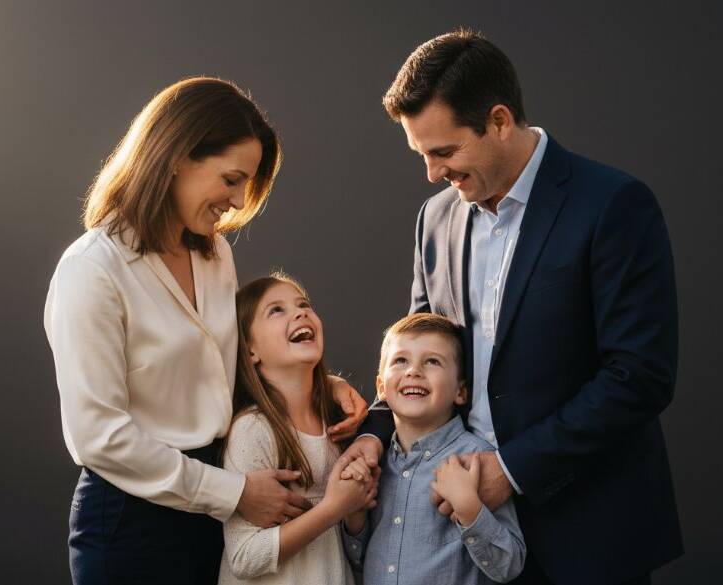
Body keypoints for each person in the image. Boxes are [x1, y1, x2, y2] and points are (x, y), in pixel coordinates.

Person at [343, 30, 683, 585]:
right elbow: (419, 348)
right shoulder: (435, 219)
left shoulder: (613, 205)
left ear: (499, 121)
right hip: (459, 537)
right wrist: (370, 434)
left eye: (444, 152)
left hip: (588, 531)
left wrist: (512, 470)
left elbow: (640, 375)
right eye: (422, 154)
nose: (432, 173)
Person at [43, 77, 367, 585]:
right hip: (133, 522)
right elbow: (98, 437)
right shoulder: (92, 269)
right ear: (177, 157)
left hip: (217, 512)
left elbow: (226, 374)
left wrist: (323, 387)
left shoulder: (216, 256)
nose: (237, 201)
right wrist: (233, 492)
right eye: (231, 179)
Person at [341, 313, 526, 584]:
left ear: (460, 392)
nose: (413, 371)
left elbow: (509, 566)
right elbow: (360, 561)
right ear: (381, 388)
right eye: (401, 360)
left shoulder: (477, 461)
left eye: (432, 361)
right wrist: (354, 518)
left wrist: (469, 508)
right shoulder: (375, 465)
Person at [219, 274, 376, 585]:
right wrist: (333, 508)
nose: (301, 313)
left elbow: (352, 545)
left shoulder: (339, 422)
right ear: (250, 351)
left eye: (304, 305)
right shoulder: (253, 430)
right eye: (276, 310)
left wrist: (354, 511)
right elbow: (244, 557)